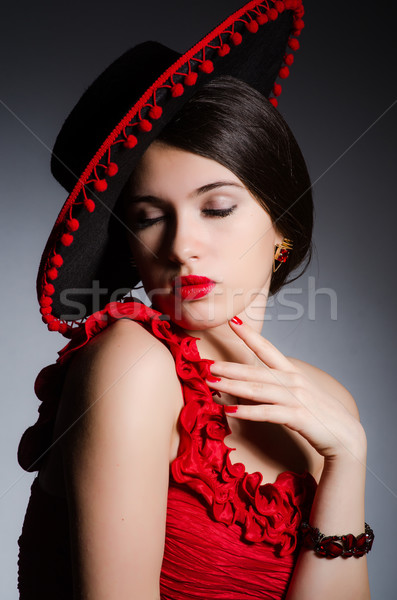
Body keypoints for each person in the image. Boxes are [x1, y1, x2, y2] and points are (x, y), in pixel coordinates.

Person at [17, 1, 374, 598]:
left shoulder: (327, 405)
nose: (183, 247)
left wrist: (348, 462)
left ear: (282, 220)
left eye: (217, 208)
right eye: (150, 218)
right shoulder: (130, 364)